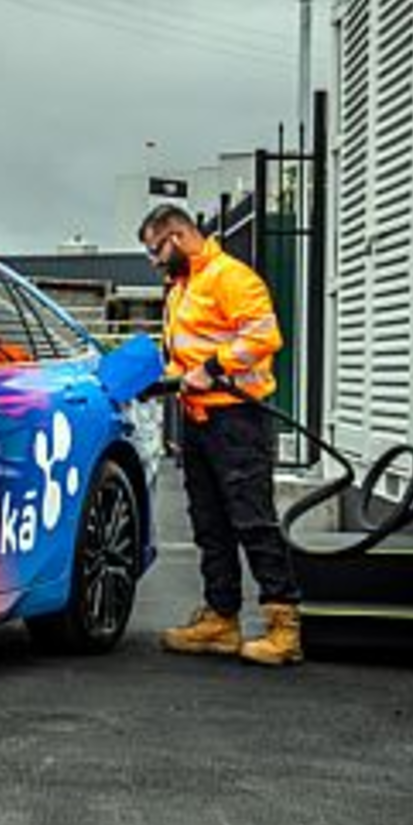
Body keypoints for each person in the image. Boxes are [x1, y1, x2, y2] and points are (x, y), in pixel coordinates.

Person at [139, 203, 302, 666]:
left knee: (253, 519)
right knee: (210, 524)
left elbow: (263, 336)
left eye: (156, 251)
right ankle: (221, 619)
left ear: (177, 236)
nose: (154, 262)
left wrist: (212, 369)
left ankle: (283, 625)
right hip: (199, 421)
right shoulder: (180, 288)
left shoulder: (231, 277)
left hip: (237, 420)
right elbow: (182, 353)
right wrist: (160, 380)